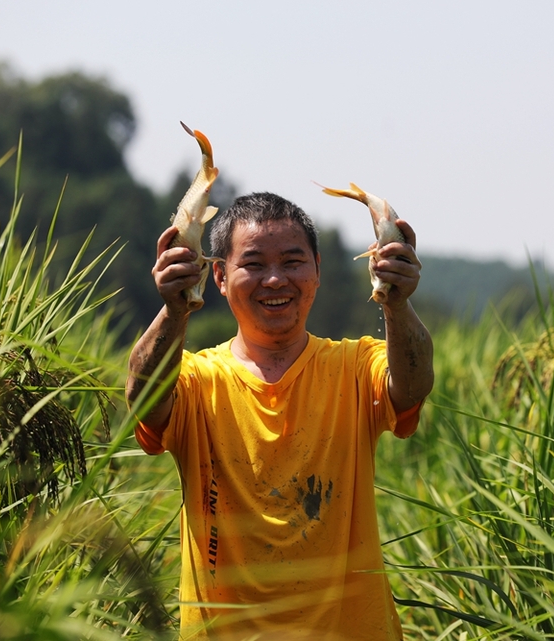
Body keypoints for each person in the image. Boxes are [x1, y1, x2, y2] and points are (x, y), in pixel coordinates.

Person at [126, 192, 434, 640]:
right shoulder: (195, 379)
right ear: (219, 275)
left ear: (317, 271)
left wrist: (397, 302)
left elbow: (412, 385)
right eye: (253, 264)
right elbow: (144, 400)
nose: (275, 280)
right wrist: (174, 309)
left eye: (292, 262)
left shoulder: (354, 365)